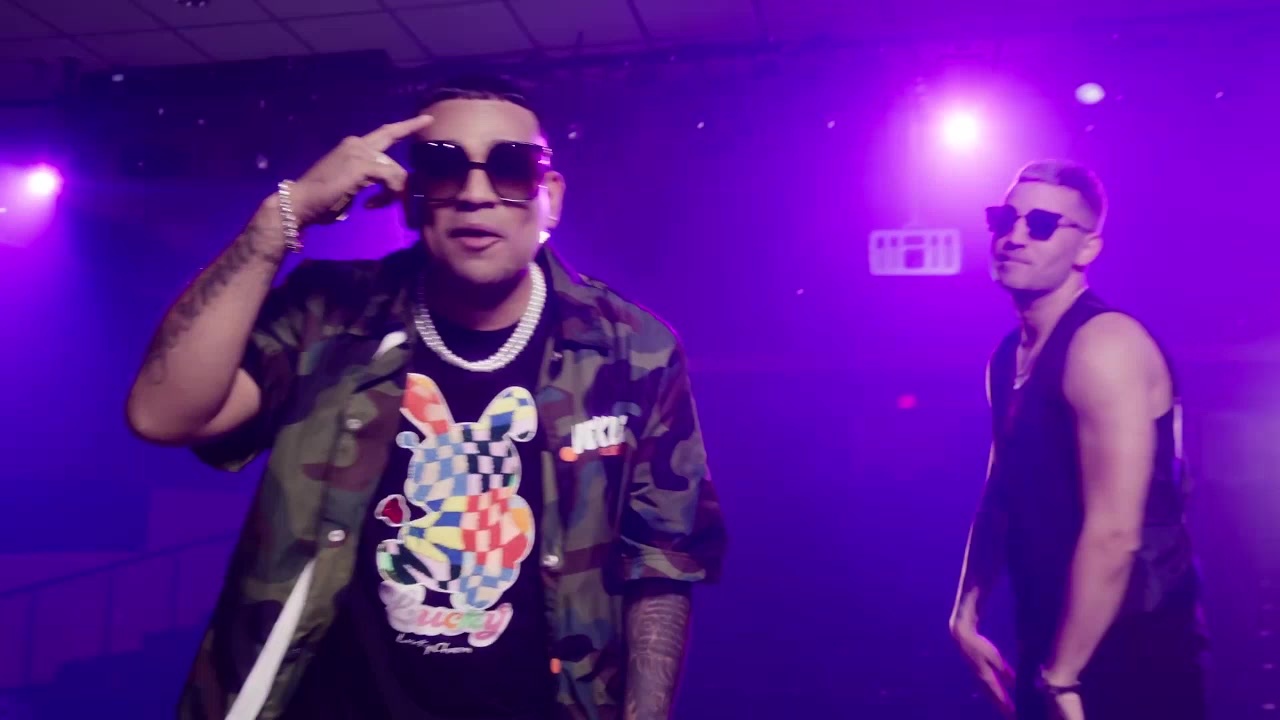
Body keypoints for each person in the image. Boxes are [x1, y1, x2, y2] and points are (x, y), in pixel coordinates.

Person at [126, 73, 726, 720]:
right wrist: (280, 220)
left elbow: (662, 563)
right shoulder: (328, 314)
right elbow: (162, 414)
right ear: (413, 199)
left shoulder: (631, 350)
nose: (475, 193)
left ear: (549, 197)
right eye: (443, 168)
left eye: (510, 167)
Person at [948, 161, 1207, 720]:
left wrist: (1063, 679)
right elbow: (1001, 487)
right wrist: (966, 609)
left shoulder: (1105, 345)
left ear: (1087, 248)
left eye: (1042, 225)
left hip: (1131, 647)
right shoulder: (1006, 356)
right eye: (1005, 219)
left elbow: (1116, 532)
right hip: (1054, 635)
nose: (1015, 236)